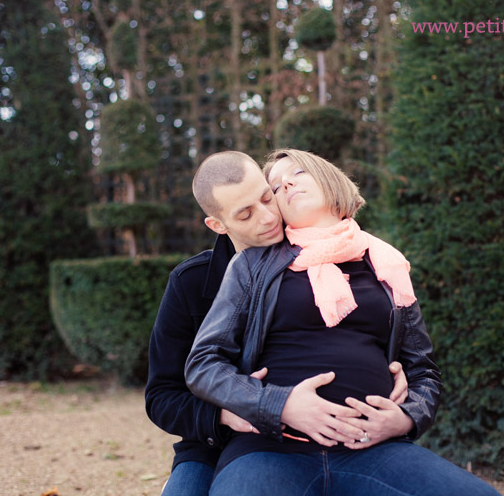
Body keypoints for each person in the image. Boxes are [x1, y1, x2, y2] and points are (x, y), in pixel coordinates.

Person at [185, 149, 501, 496]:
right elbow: (203, 363)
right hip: (270, 449)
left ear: (328, 177)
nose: (285, 183)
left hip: (372, 450)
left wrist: (407, 417)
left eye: (298, 172)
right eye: (275, 186)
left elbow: (423, 369)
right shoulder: (253, 266)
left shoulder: (386, 264)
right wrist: (279, 404)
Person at [145, 150, 410, 496]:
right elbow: (162, 396)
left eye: (267, 197)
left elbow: (359, 327)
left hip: (327, 441)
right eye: (245, 214)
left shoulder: (316, 252)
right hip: (216, 442)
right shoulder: (190, 283)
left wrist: (393, 364)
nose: (269, 217)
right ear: (218, 225)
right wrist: (225, 415)